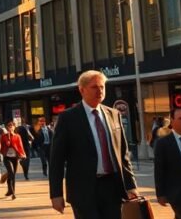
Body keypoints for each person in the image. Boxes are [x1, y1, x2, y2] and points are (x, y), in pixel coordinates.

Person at [49, 70, 138, 219]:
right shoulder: (68, 118)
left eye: (102, 87)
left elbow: (123, 154)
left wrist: (131, 185)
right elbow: (56, 160)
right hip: (83, 190)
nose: (100, 91)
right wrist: (56, 194)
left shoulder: (114, 114)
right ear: (82, 90)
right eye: (94, 87)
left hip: (112, 187)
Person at [0, 120, 27, 200]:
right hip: (7, 158)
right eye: (9, 126)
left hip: (15, 158)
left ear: (14, 127)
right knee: (11, 173)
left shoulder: (17, 136)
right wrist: (2, 151)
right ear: (7, 127)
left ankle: (10, 190)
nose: (10, 127)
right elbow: (0, 146)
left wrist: (23, 154)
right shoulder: (3, 136)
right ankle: (13, 193)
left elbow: (20, 146)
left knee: (12, 175)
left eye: (12, 126)